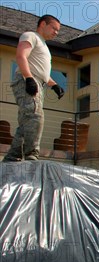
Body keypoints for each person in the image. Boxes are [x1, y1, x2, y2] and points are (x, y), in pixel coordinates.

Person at [3, 14, 64, 162]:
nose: (56, 33)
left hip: (37, 81)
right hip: (26, 80)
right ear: (43, 24)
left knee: (27, 121)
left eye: (58, 31)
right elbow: (21, 56)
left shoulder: (44, 46)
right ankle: (32, 154)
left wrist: (54, 85)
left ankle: (13, 156)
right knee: (35, 117)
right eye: (54, 28)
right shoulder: (30, 36)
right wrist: (29, 78)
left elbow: (41, 71)